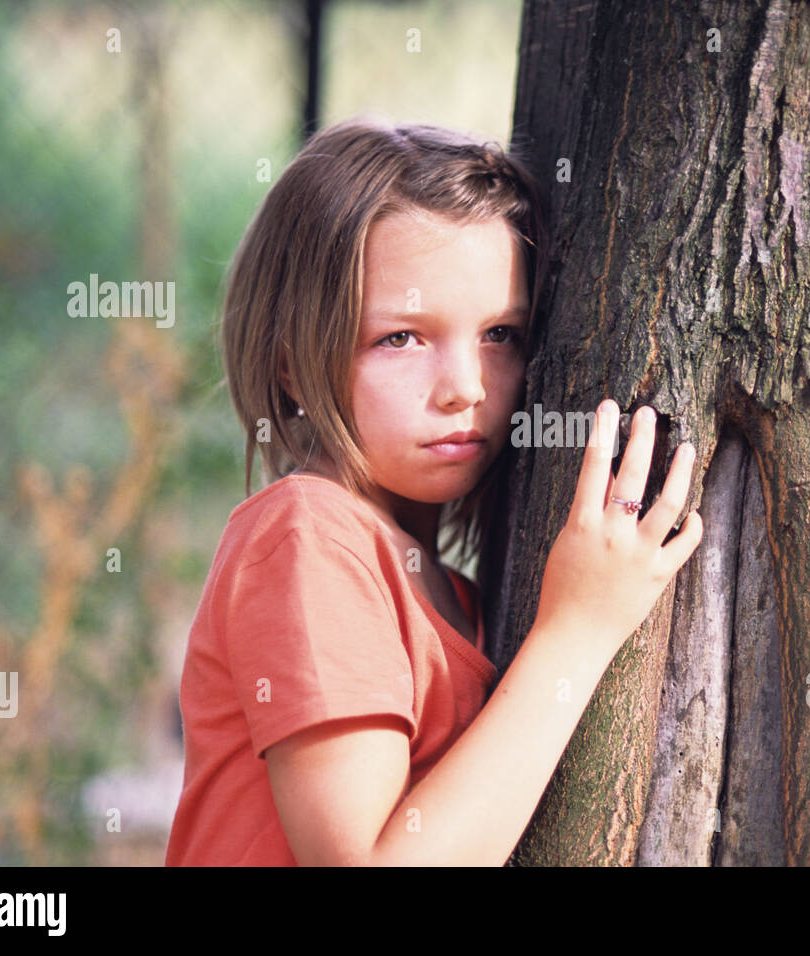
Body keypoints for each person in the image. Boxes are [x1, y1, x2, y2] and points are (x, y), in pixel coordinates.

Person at [164, 116, 702, 866]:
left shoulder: (453, 590)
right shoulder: (307, 537)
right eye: (402, 338)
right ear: (292, 363)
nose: (465, 388)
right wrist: (577, 632)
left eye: (500, 335)